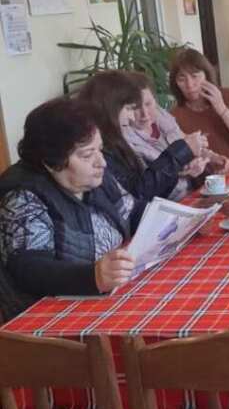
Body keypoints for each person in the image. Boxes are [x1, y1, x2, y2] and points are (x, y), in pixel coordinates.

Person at [0, 98, 137, 301]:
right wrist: (93, 277)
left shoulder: (94, 178)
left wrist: (176, 220)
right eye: (87, 155)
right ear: (52, 162)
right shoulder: (22, 197)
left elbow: (132, 210)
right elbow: (30, 269)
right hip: (54, 310)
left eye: (100, 149)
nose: (102, 162)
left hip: (110, 292)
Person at [79, 70, 209, 200]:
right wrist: (181, 154)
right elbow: (139, 192)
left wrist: (183, 167)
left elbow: (144, 190)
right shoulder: (108, 147)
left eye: (148, 104)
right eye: (130, 108)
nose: (132, 117)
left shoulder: (116, 141)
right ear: (110, 109)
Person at [122, 73, 229, 200]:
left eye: (148, 104)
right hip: (170, 202)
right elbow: (146, 188)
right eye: (135, 107)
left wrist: (211, 157)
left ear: (155, 100)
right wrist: (183, 172)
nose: (144, 114)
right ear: (124, 109)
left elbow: (185, 144)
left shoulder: (162, 116)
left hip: (195, 192)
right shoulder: (125, 141)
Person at [169, 49, 229, 167]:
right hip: (206, 176)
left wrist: (222, 109)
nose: (189, 85)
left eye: (195, 76)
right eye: (182, 79)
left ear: (206, 76)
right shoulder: (175, 116)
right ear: (176, 83)